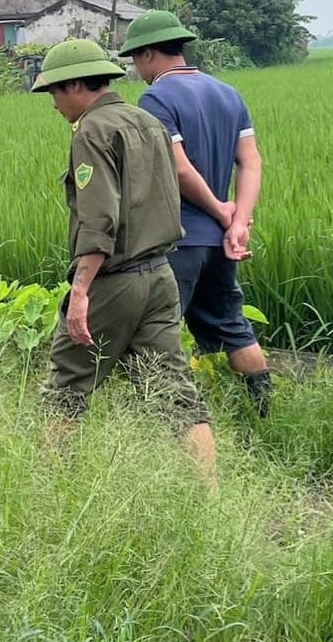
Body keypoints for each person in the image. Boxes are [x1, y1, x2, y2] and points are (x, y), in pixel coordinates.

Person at [30, 38, 217, 484]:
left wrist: (80, 293)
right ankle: (211, 493)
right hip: (159, 276)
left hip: (113, 281)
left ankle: (45, 488)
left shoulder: (92, 131)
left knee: (66, 385)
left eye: (55, 91)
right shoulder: (147, 121)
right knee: (173, 391)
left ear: (76, 84)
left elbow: (99, 220)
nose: (53, 102)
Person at [120, 11, 274, 415]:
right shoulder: (228, 93)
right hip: (220, 243)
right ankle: (265, 412)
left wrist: (222, 213)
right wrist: (238, 220)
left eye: (136, 60)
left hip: (180, 239)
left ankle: (173, 422)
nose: (137, 70)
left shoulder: (155, 98)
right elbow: (251, 161)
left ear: (150, 54)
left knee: (158, 331)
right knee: (230, 323)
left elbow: (179, 167)